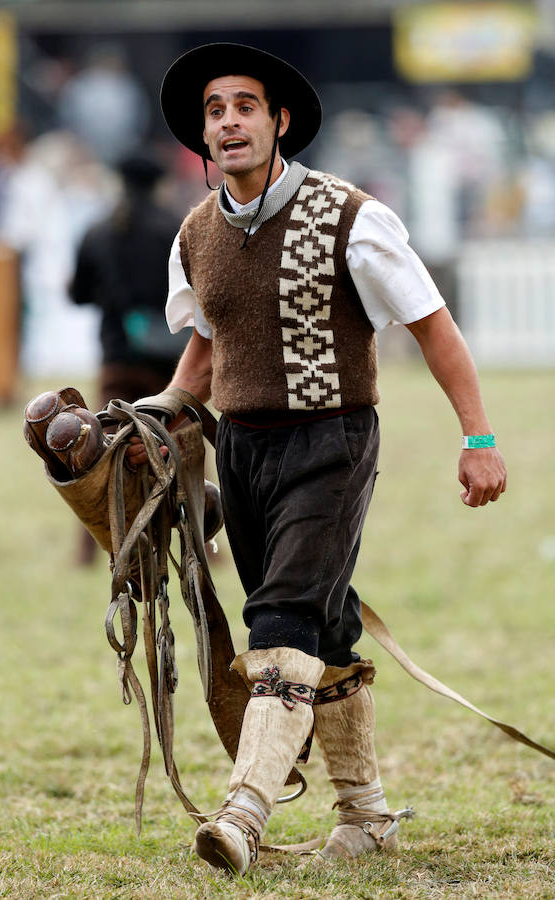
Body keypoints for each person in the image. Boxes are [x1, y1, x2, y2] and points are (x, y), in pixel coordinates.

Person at [127, 43, 507, 874]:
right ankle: (367, 818)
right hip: (244, 450)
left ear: (279, 121)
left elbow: (432, 326)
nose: (229, 121)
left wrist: (478, 438)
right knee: (325, 627)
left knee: (282, 620)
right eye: (214, 110)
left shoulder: (353, 217)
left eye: (245, 106)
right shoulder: (195, 234)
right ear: (203, 135)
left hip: (332, 442)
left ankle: (245, 812)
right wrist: (154, 418)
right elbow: (204, 347)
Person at [69, 150, 186, 563]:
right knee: (180, 448)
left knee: (98, 455)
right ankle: (204, 543)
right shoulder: (174, 227)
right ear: (157, 184)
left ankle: (89, 549)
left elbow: (77, 293)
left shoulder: (98, 231)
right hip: (170, 364)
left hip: (117, 357)